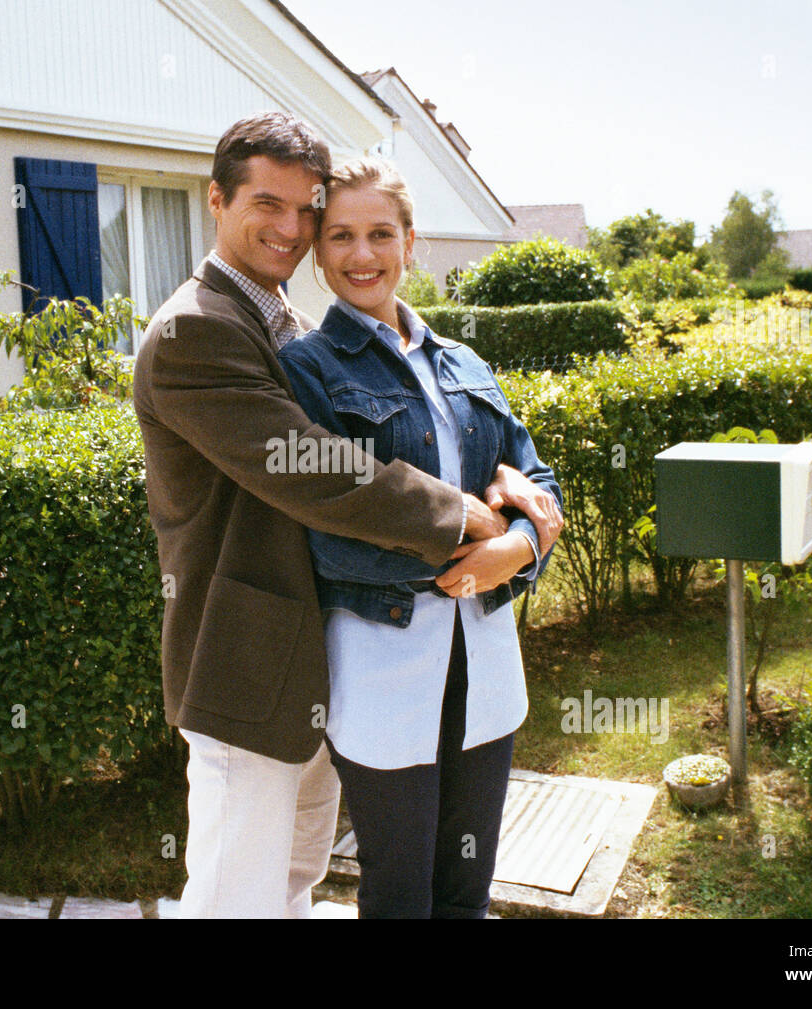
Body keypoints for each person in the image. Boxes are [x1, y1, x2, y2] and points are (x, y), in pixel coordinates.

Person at [132, 113, 558, 918]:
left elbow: (491, 450)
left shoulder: (280, 320)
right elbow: (314, 469)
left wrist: (522, 513)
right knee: (235, 897)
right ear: (215, 199)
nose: (290, 229)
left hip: (315, 656)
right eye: (269, 204)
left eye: (306, 209)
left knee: (293, 878)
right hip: (244, 656)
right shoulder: (196, 328)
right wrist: (464, 514)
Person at [276, 157, 564, 918]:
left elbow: (540, 484)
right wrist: (482, 542)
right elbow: (329, 525)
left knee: (466, 891)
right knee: (402, 894)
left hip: (486, 669)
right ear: (318, 251)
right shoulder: (305, 369)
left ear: (411, 243)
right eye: (340, 235)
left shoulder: (464, 362)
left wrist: (520, 548)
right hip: (383, 669)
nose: (361, 254)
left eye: (379, 233)